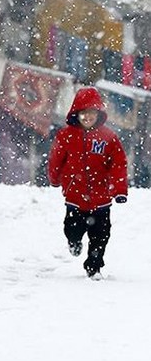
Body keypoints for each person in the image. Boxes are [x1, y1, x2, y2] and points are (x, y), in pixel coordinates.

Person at [48, 87, 128, 278]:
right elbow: (56, 159)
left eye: (91, 113)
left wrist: (119, 190)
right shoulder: (65, 135)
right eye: (83, 113)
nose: (87, 117)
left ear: (98, 114)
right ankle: (74, 242)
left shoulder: (109, 138)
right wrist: (54, 178)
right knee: (72, 229)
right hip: (75, 195)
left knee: (100, 236)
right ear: (76, 114)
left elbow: (118, 164)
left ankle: (94, 267)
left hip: (101, 198)